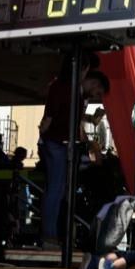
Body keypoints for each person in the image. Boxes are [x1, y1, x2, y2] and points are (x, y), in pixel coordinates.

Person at [39, 65, 110, 249]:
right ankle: (49, 235)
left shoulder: (74, 92)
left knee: (58, 189)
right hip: (57, 142)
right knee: (56, 190)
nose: (95, 96)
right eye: (97, 92)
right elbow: (53, 115)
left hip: (60, 143)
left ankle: (52, 234)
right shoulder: (66, 88)